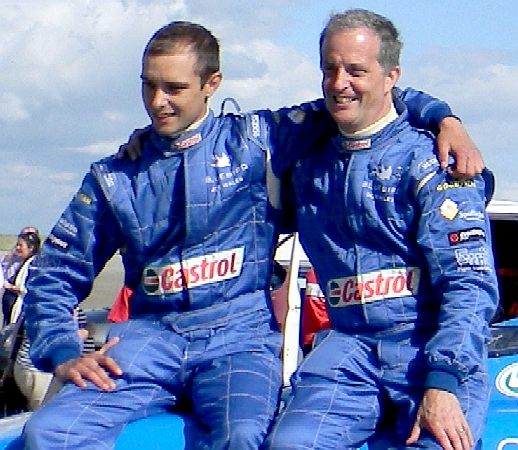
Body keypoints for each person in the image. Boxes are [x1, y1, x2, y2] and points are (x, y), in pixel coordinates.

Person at [22, 21, 484, 450]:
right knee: (48, 432)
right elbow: (55, 273)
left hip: (238, 339)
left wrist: (445, 119)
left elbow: (370, 101)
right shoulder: (115, 176)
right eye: (150, 85)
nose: (158, 101)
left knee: (246, 436)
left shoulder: (259, 140)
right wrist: (62, 350)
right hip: (149, 339)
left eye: (175, 88)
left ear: (212, 84)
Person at [266, 9, 498, 450]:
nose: (339, 83)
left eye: (356, 70)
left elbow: (470, 286)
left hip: (430, 348)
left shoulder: (435, 162)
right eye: (330, 69)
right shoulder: (307, 160)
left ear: (391, 77)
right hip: (348, 350)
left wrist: (444, 382)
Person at [1, 231, 41, 326]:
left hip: (23, 314)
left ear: (31, 248)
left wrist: (11, 287)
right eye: (17, 245)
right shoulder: (23, 263)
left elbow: (31, 288)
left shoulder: (34, 265)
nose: (17, 248)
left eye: (20, 245)